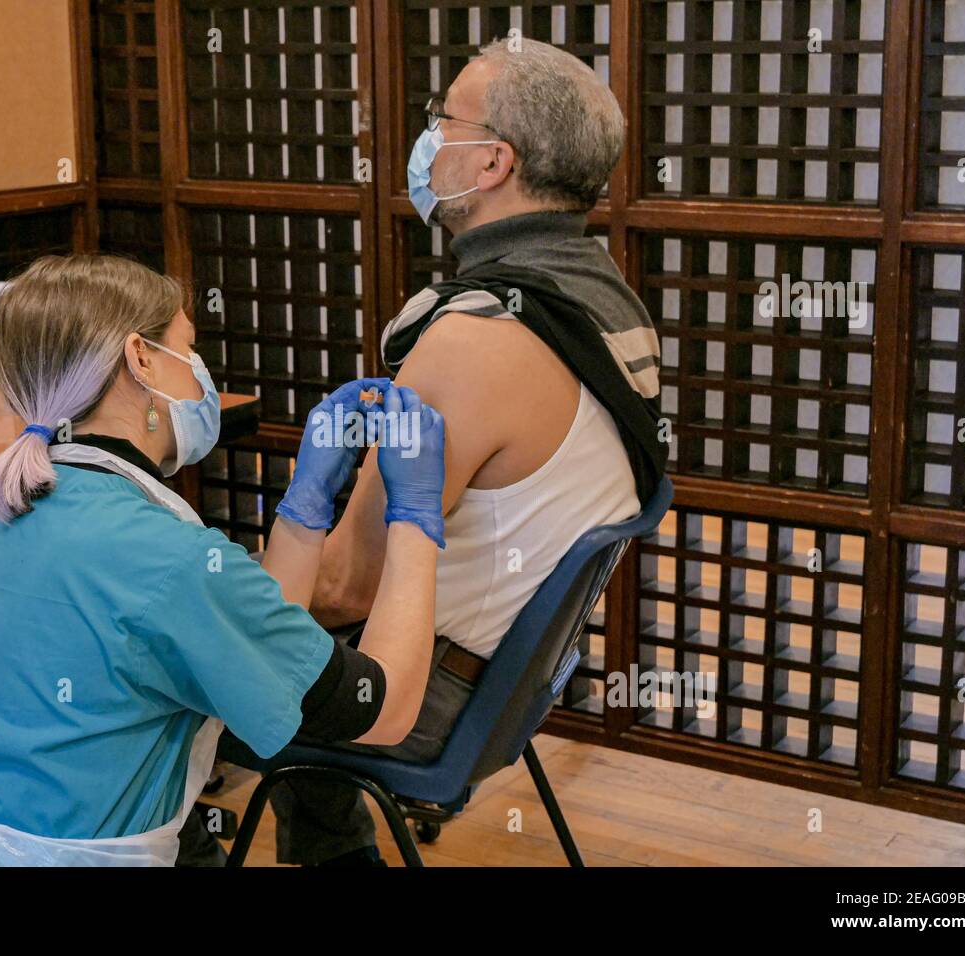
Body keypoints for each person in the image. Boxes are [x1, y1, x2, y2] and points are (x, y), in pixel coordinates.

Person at [0, 254, 446, 866]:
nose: (200, 375)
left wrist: (305, 507)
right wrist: (414, 517)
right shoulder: (166, 557)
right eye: (189, 348)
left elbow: (248, 637)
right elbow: (382, 712)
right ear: (140, 357)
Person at [267, 37, 666, 866]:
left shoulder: (479, 334)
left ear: (491, 161)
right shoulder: (604, 295)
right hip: (517, 686)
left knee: (138, 656)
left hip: (432, 698)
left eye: (441, 120)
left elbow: (345, 585)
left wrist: (206, 612)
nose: (426, 141)